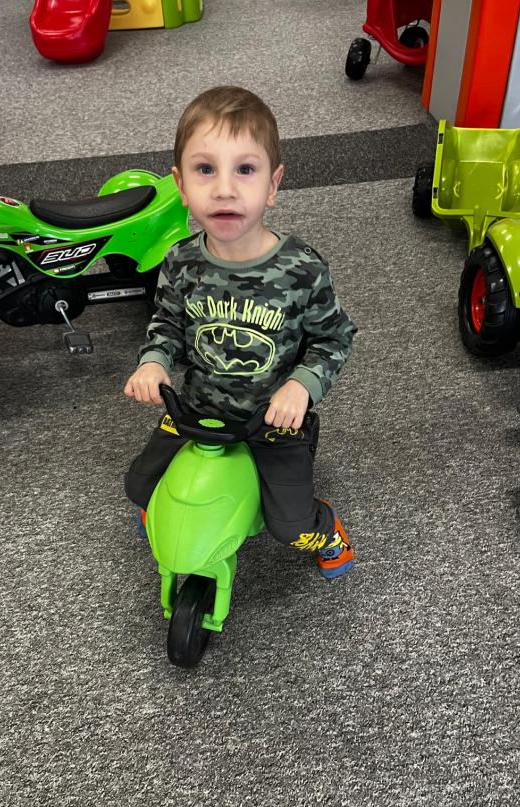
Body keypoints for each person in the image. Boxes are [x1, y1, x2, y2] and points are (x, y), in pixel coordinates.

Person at [123, 86, 358, 578]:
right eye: (205, 169)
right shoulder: (181, 262)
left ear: (273, 185)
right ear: (181, 184)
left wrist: (301, 386)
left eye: (245, 170)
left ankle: (329, 529)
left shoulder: (301, 269)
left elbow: (334, 338)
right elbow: (167, 323)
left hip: (273, 423)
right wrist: (154, 361)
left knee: (290, 526)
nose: (225, 189)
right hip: (197, 412)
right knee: (139, 486)